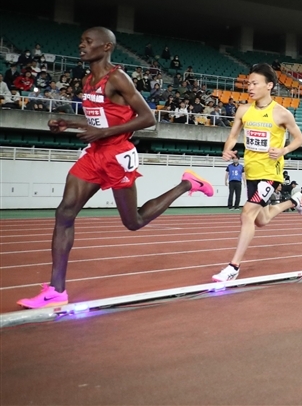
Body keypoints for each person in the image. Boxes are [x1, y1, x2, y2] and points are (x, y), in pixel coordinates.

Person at [17, 27, 214, 309]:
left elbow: (147, 119)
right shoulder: (87, 80)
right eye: (81, 41)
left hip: (117, 155)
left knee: (133, 222)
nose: (81, 46)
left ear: (106, 47)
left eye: (88, 42)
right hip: (95, 152)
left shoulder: (117, 78)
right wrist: (69, 124)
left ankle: (187, 184)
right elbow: (100, 122)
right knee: (65, 212)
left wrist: (104, 134)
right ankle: (56, 290)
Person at [212, 63, 302, 282]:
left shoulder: (282, 114)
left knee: (247, 214)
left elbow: (300, 139)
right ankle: (293, 202)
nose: (250, 87)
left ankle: (233, 266)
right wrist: (227, 147)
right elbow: (234, 135)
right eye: (248, 83)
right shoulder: (244, 110)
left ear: (269, 85)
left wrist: (284, 149)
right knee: (261, 220)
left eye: (255, 83)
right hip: (251, 172)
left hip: (270, 174)